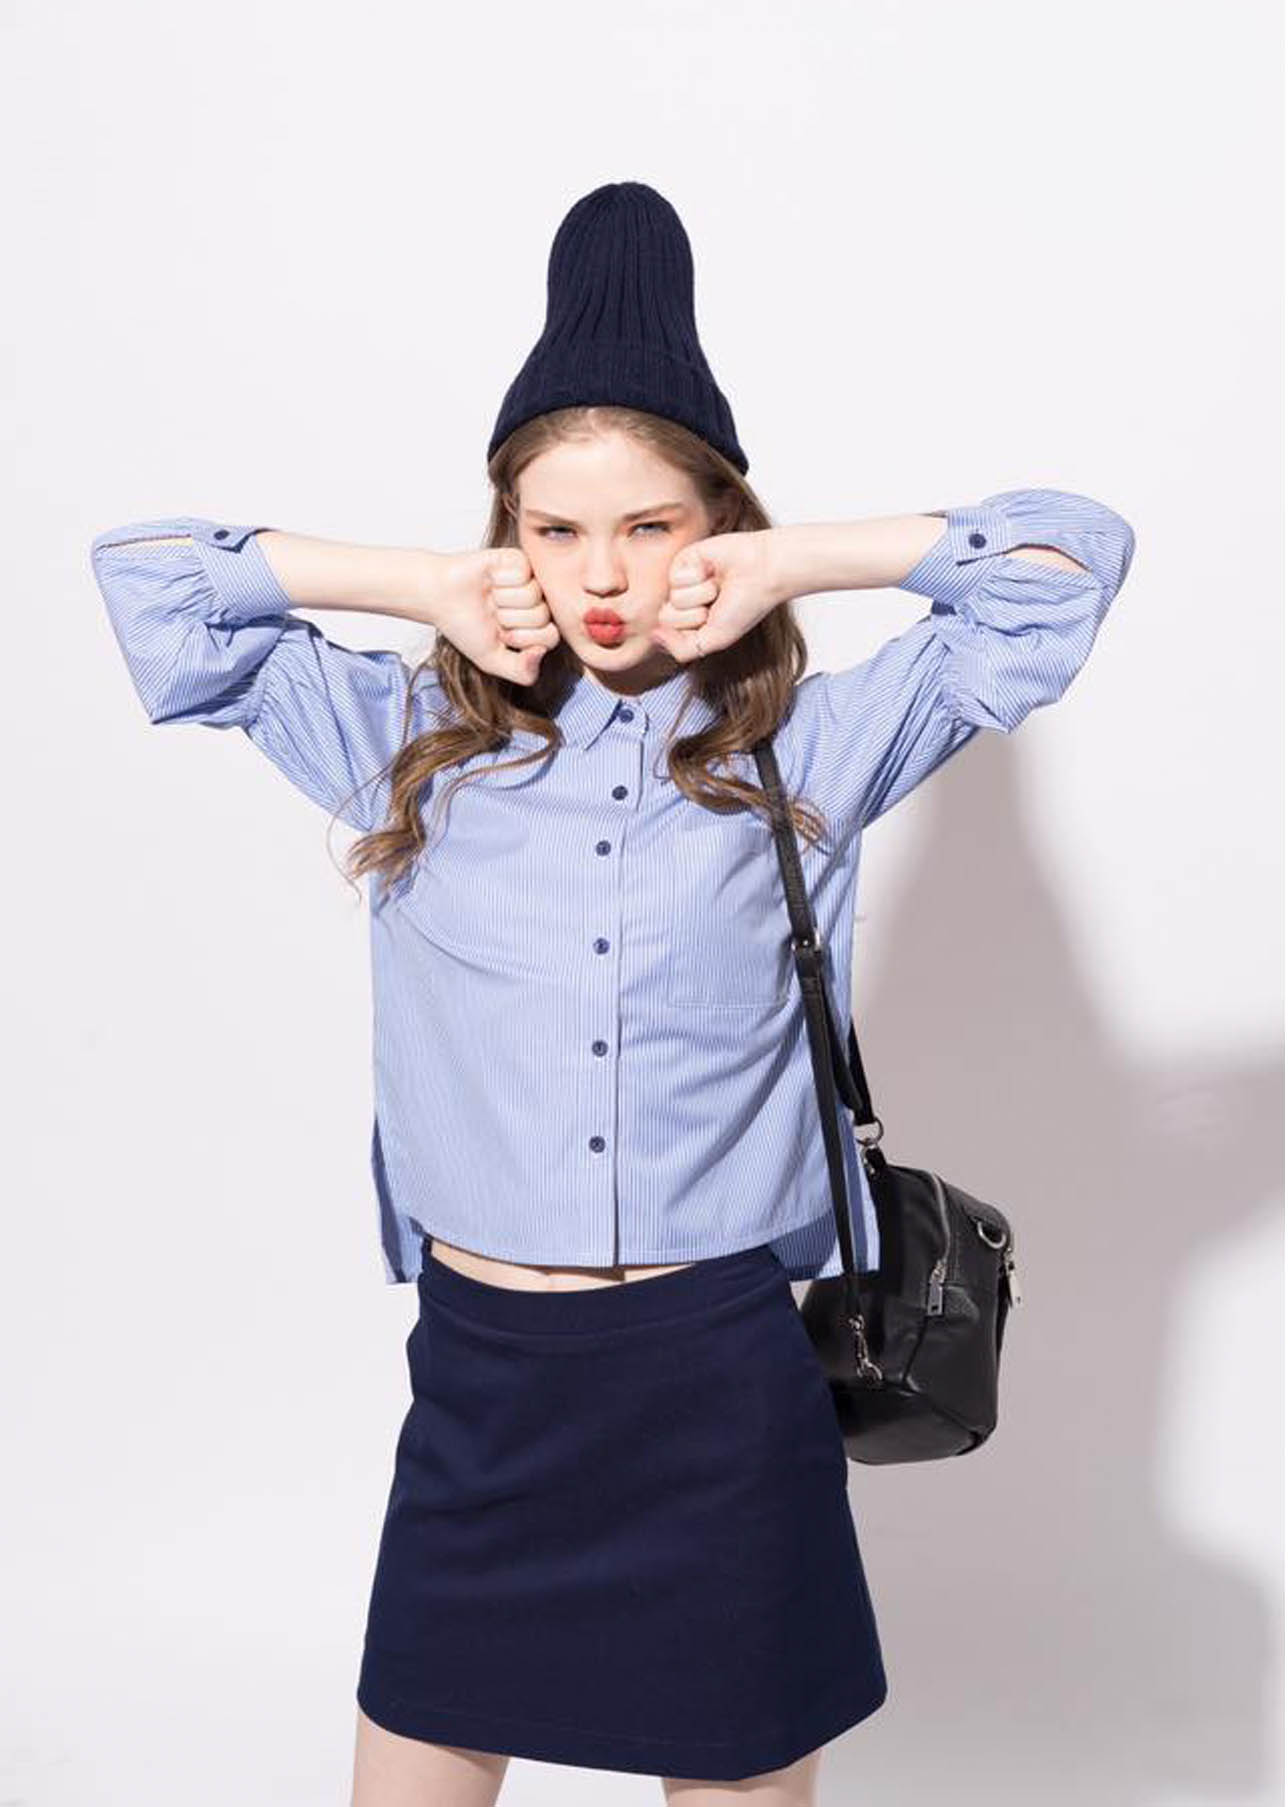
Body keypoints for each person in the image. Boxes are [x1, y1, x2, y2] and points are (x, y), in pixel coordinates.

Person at [89, 181, 1136, 1807]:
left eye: (648, 526)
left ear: (713, 523)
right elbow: (147, 581)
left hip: (718, 1377)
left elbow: (1067, 566)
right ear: (505, 533)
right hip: (488, 1380)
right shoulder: (402, 746)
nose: (601, 576)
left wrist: (797, 560)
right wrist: (421, 586)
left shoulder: (809, 752)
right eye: (554, 529)